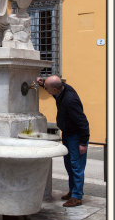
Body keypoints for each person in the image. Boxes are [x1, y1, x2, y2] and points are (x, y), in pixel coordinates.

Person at [37, 75, 90, 207]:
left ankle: (77, 197)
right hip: (68, 133)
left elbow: (83, 122)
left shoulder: (70, 100)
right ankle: (73, 191)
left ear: (55, 89)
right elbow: (53, 90)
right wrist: (42, 83)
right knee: (69, 164)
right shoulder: (62, 90)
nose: (47, 91)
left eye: (48, 89)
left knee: (76, 166)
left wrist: (83, 143)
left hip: (76, 136)